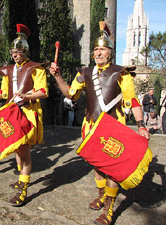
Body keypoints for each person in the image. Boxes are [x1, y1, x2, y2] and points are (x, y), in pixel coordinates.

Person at [49, 21, 149, 225]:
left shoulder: (122, 73)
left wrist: (141, 125)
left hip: (114, 126)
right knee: (96, 164)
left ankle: (108, 208)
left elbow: (133, 101)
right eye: (95, 49)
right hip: (91, 126)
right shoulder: (84, 72)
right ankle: (102, 193)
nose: (98, 52)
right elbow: (71, 94)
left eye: (102, 49)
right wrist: (58, 77)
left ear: (110, 51)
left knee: (112, 167)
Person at [0, 24, 48, 206]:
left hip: (27, 113)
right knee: (16, 148)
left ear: (25, 51)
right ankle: (22, 178)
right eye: (13, 52)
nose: (15, 55)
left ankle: (23, 189)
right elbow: (4, 92)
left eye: (18, 52)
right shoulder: (9, 70)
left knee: (25, 152)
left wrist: (26, 95)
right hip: (11, 113)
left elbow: (43, 91)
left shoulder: (36, 68)